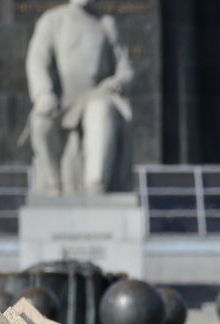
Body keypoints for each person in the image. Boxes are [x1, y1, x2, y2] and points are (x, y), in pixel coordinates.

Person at [25, 0, 135, 194]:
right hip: (62, 99)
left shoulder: (106, 23)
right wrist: (43, 93)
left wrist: (117, 81)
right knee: (41, 122)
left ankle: (97, 183)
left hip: (97, 95)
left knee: (101, 111)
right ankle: (53, 184)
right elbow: (37, 59)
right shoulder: (52, 20)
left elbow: (126, 68)